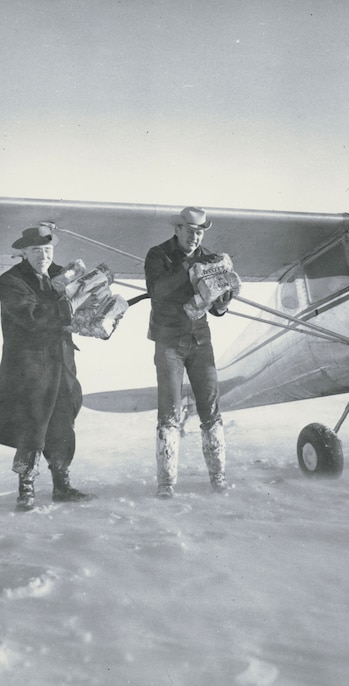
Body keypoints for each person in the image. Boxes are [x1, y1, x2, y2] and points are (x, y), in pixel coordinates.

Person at [0, 225, 96, 510]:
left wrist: (99, 305)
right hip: (30, 366)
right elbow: (32, 316)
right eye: (36, 251)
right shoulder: (10, 282)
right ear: (23, 252)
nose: (43, 256)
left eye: (47, 250)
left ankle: (62, 485)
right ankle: (26, 489)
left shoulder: (64, 275)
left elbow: (87, 301)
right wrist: (71, 306)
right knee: (31, 426)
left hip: (62, 362)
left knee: (62, 424)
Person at [144, 206, 238, 499]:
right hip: (169, 343)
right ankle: (166, 484)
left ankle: (218, 477)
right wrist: (191, 268)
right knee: (169, 414)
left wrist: (223, 299)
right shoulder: (157, 255)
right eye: (190, 232)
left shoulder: (207, 258)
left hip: (200, 341)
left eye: (199, 233)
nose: (195, 238)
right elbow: (158, 290)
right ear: (177, 230)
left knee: (211, 410)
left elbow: (217, 308)